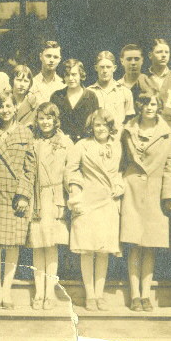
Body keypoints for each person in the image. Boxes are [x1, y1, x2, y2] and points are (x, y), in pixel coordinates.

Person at [120, 92, 171, 312]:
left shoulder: (166, 133)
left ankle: (146, 295)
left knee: (150, 245)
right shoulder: (128, 130)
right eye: (145, 103)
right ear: (140, 106)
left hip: (155, 190)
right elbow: (121, 159)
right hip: (132, 188)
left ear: (158, 106)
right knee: (133, 244)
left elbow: (170, 165)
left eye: (153, 103)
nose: (149, 107)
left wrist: (169, 195)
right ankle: (134, 295)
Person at [66, 109, 124, 311]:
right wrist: (75, 194)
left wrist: (119, 184)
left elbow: (118, 172)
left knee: (103, 251)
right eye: (97, 125)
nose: (101, 129)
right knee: (87, 250)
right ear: (92, 127)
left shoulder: (116, 146)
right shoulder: (82, 145)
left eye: (104, 125)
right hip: (87, 201)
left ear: (110, 127)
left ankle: (100, 294)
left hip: (108, 201)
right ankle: (89, 295)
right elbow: (72, 170)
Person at [0, 91, 36, 309]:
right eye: (1, 107)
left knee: (14, 244)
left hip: (16, 197)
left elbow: (29, 167)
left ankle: (7, 289)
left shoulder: (26, 134)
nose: (5, 110)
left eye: (8, 106)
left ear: (16, 108)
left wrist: (23, 194)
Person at [29, 102, 74, 310]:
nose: (45, 122)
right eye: (41, 118)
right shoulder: (33, 141)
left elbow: (71, 170)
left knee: (52, 246)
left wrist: (72, 193)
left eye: (49, 118)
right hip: (37, 198)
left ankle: (50, 292)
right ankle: (39, 292)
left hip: (56, 197)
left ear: (56, 120)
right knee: (38, 246)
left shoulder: (65, 142)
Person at [50, 59, 99, 143]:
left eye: (74, 74)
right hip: (61, 143)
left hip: (85, 143)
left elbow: (96, 122)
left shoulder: (91, 97)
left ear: (81, 75)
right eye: (67, 75)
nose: (70, 78)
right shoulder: (57, 96)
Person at [87, 51, 135, 129]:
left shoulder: (125, 92)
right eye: (102, 67)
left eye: (108, 67)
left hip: (118, 138)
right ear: (96, 68)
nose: (105, 71)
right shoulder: (88, 92)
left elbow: (130, 121)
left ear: (114, 68)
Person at [117, 44, 156, 117]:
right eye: (129, 59)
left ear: (142, 61)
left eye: (136, 59)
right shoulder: (116, 86)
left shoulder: (151, 84)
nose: (133, 63)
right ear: (122, 61)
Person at [31, 41, 65, 105]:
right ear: (41, 56)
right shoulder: (32, 83)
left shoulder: (63, 85)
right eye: (48, 56)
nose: (52, 60)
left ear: (59, 60)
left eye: (55, 57)